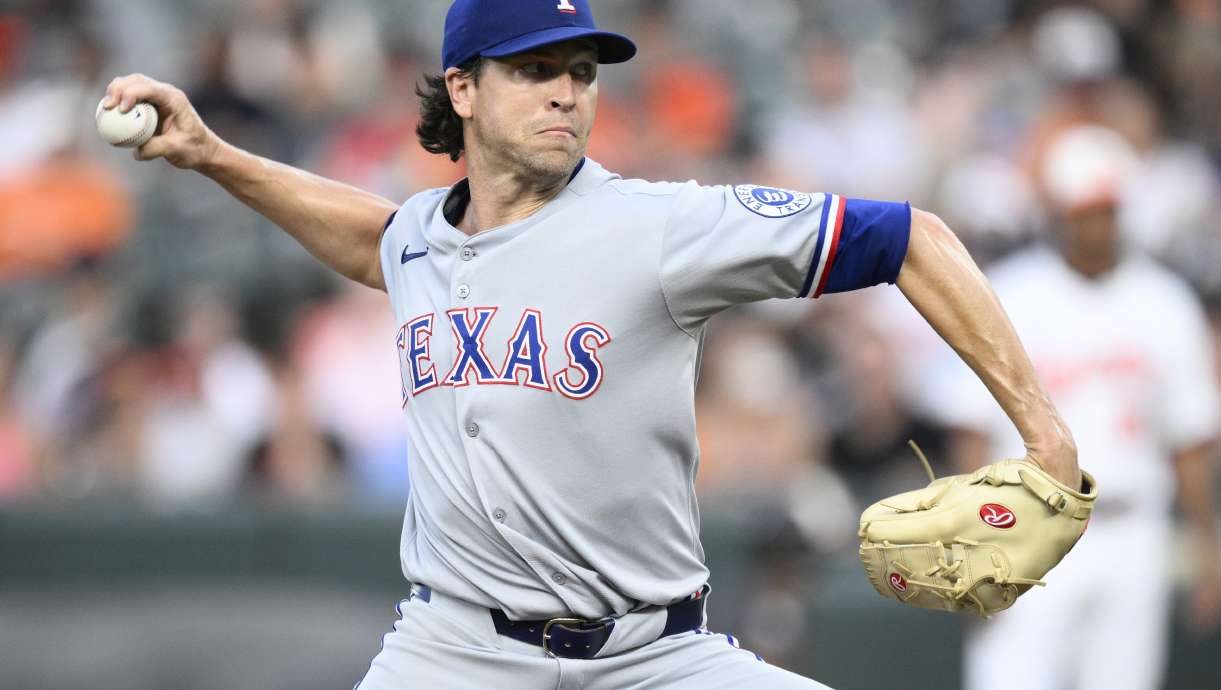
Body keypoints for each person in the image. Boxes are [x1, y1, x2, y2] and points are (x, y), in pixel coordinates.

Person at [101, 1, 1081, 687]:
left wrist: (1045, 439)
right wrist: (212, 155)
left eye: (579, 72)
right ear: (464, 89)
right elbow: (372, 238)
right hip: (456, 655)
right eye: (535, 71)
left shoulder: (658, 226)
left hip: (655, 659)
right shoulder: (420, 238)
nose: (567, 93)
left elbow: (914, 237)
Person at [932, 125, 1221, 690]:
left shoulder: (1164, 300)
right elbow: (969, 429)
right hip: (1028, 531)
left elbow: (1188, 438)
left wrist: (1209, 551)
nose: (1098, 224)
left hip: (1133, 528)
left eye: (1108, 209)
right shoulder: (1011, 294)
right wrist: (970, 540)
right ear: (1058, 212)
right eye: (1086, 210)